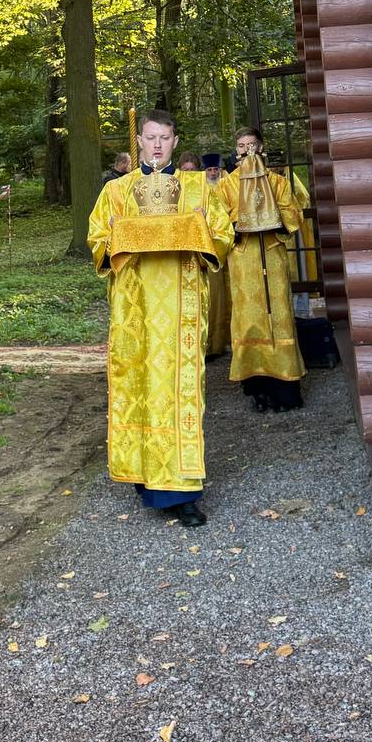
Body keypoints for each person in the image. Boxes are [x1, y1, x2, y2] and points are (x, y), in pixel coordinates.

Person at [88, 111, 233, 527]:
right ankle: (146, 479)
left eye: (164, 138)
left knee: (179, 393)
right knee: (140, 386)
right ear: (138, 141)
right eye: (150, 137)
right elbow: (97, 238)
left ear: (174, 141)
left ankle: (184, 494)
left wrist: (201, 234)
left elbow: (223, 234)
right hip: (134, 309)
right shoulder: (117, 190)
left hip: (181, 310)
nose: (157, 145)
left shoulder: (198, 187)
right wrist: (114, 236)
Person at [218, 127, 307, 413]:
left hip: (272, 254)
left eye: (252, 144)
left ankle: (285, 389)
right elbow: (218, 222)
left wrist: (271, 216)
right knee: (249, 320)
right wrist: (240, 221)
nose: (247, 150)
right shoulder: (226, 185)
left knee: (278, 317)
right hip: (243, 260)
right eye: (241, 146)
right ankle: (256, 389)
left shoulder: (277, 182)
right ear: (236, 150)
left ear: (261, 147)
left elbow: (293, 213)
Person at [202, 152, 232, 362]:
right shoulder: (200, 190)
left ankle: (229, 340)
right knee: (214, 295)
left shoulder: (227, 186)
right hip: (210, 247)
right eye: (209, 170)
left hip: (230, 244)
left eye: (215, 169)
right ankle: (212, 343)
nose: (213, 173)